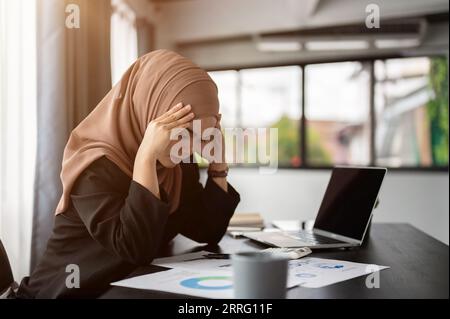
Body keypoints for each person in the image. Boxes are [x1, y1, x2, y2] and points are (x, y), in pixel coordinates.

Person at [17, 50, 240, 298]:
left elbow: (206, 230)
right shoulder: (93, 166)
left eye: (200, 135)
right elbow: (134, 247)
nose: (187, 148)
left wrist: (218, 166)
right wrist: (145, 157)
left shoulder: (176, 166)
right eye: (183, 132)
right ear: (150, 113)